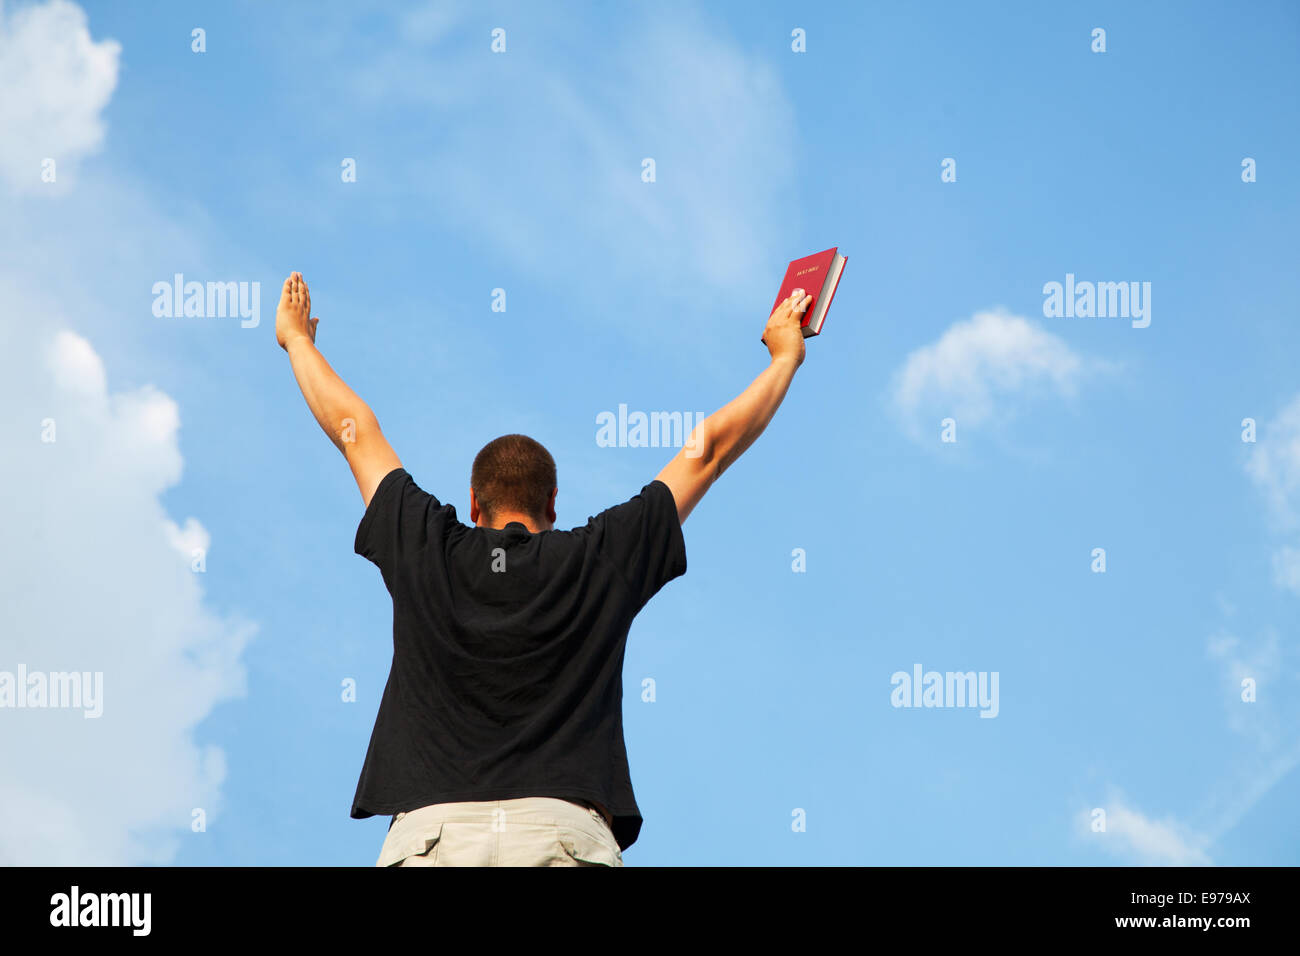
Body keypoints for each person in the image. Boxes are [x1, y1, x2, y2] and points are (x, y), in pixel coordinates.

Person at [276, 271, 810, 866]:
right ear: (552, 504)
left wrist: (299, 342)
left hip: (434, 837)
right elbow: (707, 450)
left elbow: (356, 433)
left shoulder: (424, 542)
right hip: (564, 836)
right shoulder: (599, 557)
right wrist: (783, 358)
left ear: (474, 504)